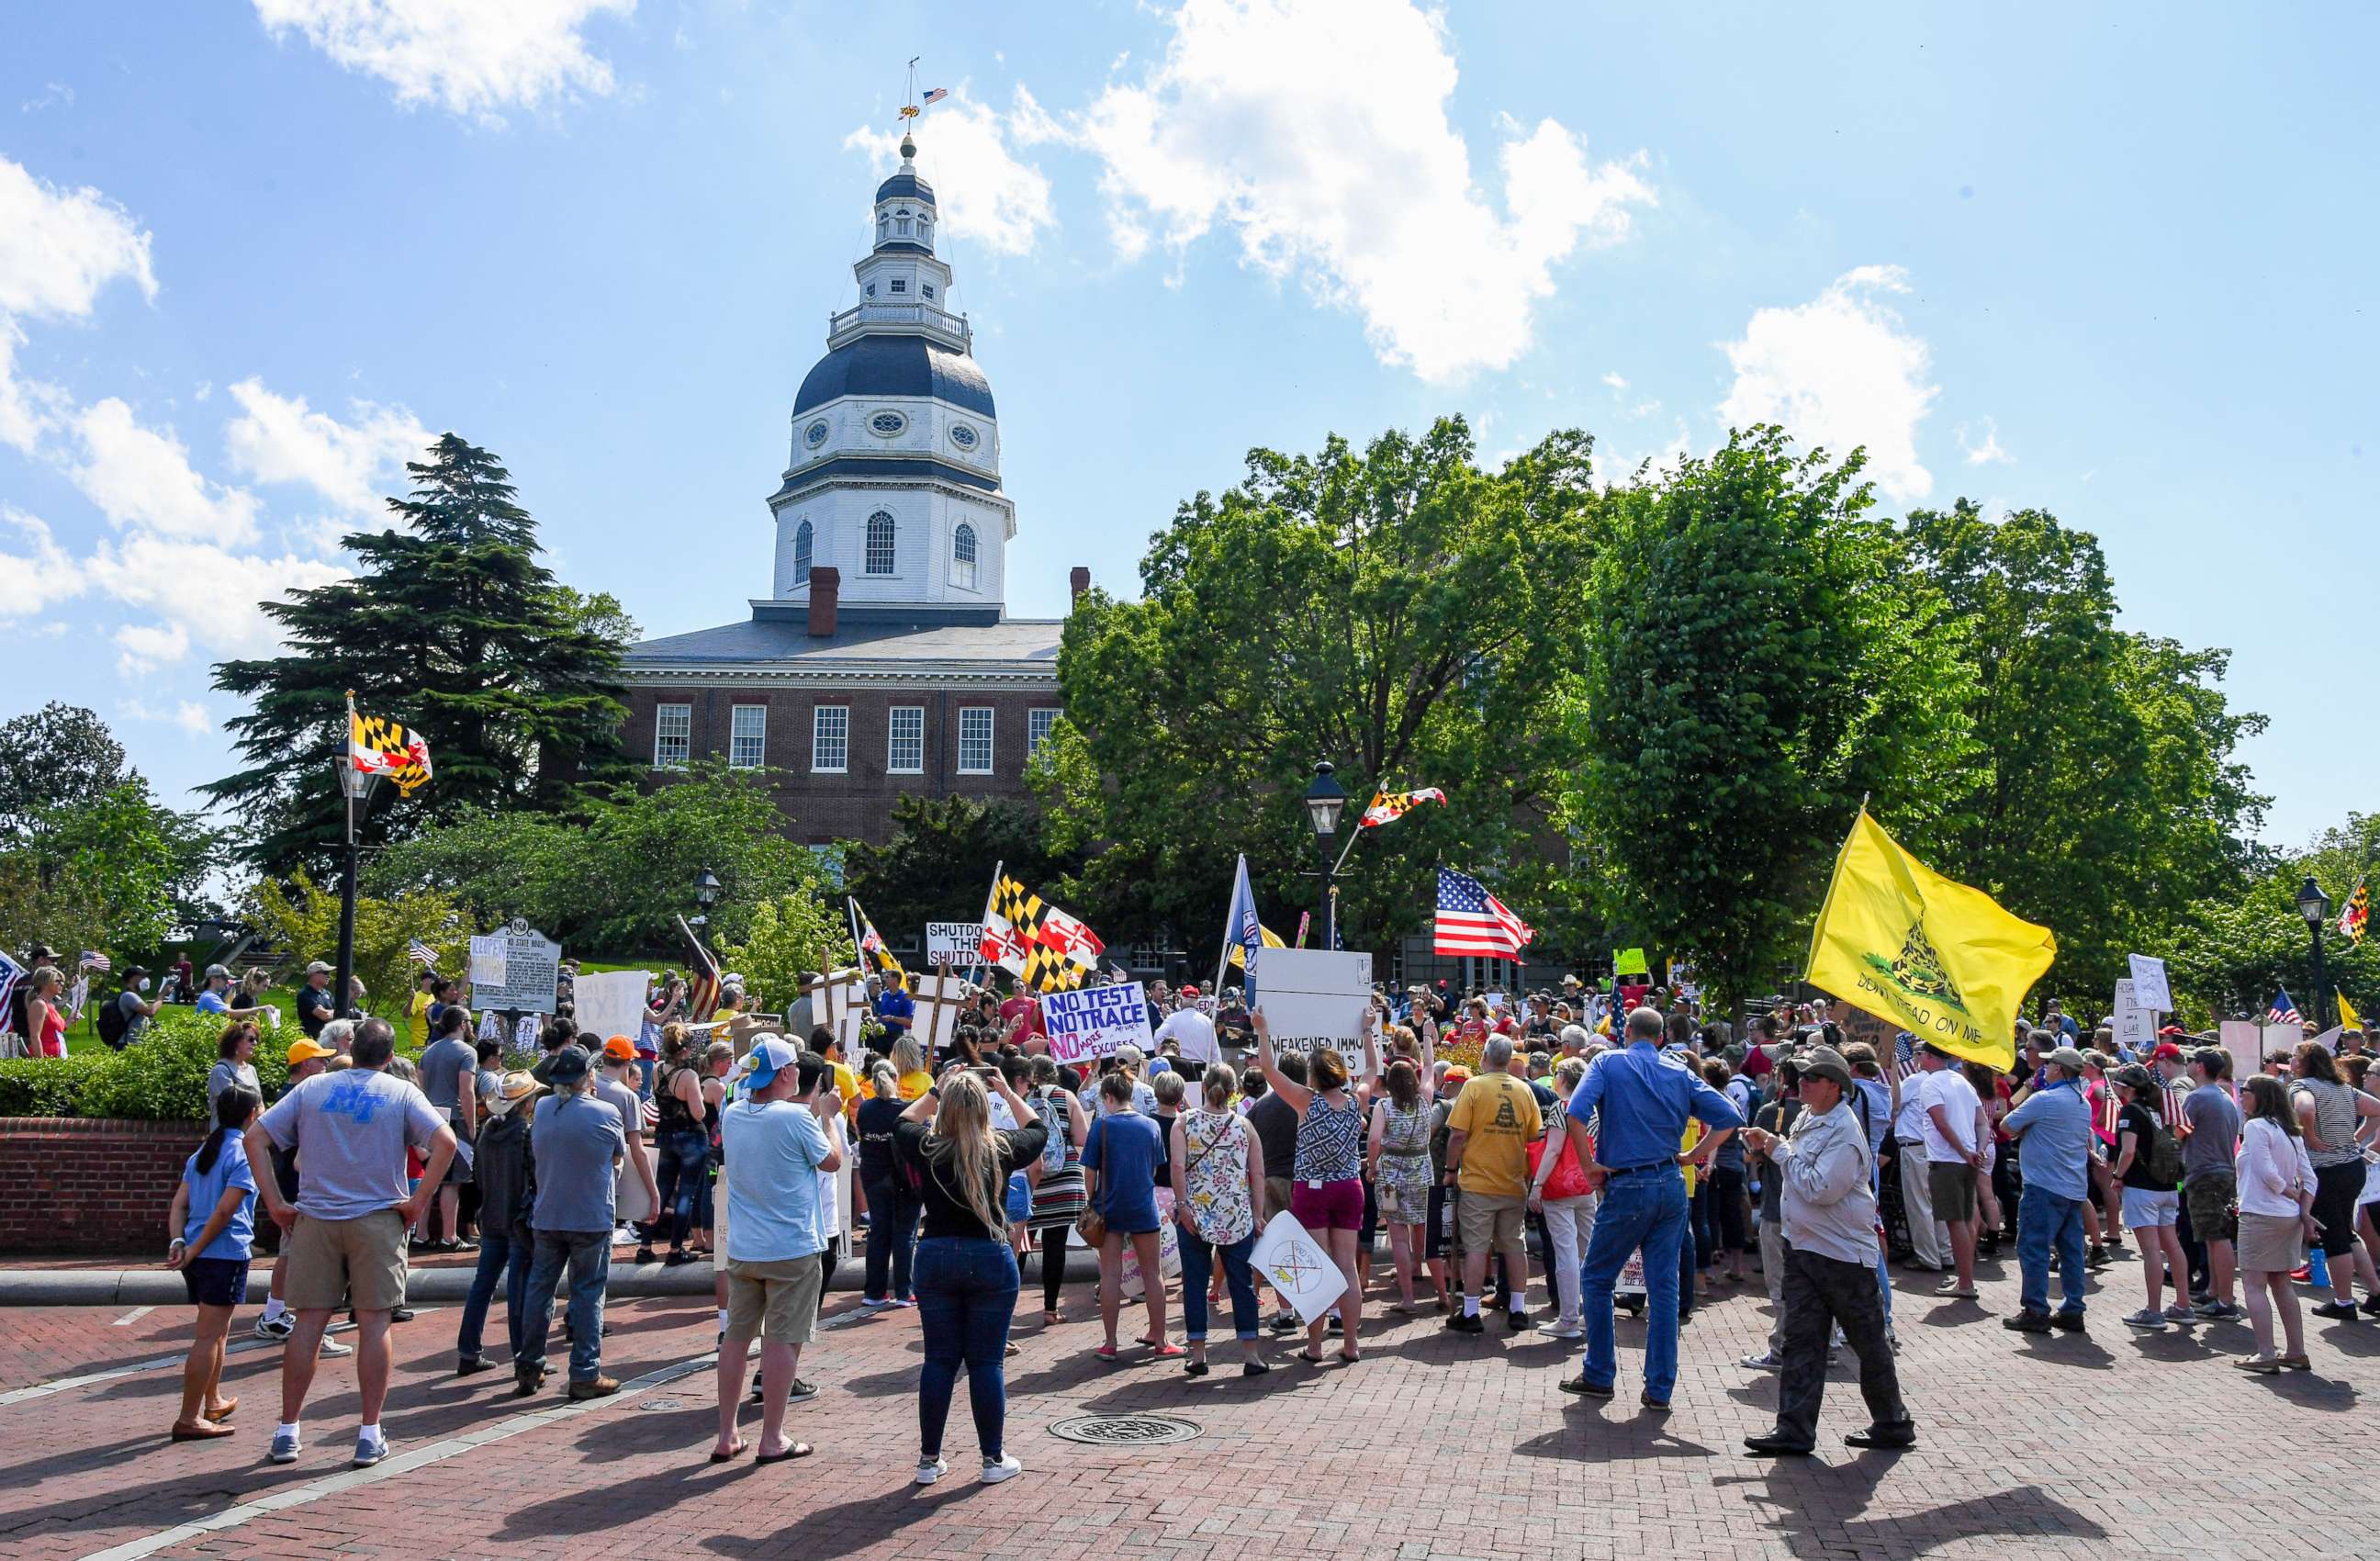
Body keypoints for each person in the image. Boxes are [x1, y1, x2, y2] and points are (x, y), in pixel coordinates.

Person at [245, 1016, 454, 1469]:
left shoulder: (313, 1089)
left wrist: (277, 1204)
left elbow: (256, 1137)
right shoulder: (400, 1092)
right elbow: (446, 1141)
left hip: (317, 1217)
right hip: (377, 1218)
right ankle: (368, 1431)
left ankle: (287, 1430)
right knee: (375, 1324)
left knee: (307, 1325)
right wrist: (418, 1202)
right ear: (389, 1054)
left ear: (353, 1048)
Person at [1559, 1006, 1742, 1409]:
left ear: (1628, 1033)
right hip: (1670, 1184)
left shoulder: (1608, 1062)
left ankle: (1600, 1372)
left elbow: (1575, 1111)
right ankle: (1659, 1388)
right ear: (1660, 1038)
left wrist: (1589, 1167)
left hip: (1628, 1184)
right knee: (1664, 1288)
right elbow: (1729, 1116)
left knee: (1597, 1277)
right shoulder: (1678, 1071)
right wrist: (1694, 1154)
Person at [1740, 1046, 1914, 1455]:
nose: (1802, 1082)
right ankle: (1795, 1429)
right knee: (1802, 1340)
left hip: (1841, 1255)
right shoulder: (1809, 1117)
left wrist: (1777, 1150)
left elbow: (1821, 1188)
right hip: (1806, 1247)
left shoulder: (1844, 1130)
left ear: (1835, 1087)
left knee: (1867, 1341)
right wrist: (1775, 1144)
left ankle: (1892, 1421)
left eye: (1811, 1077)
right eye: (1800, 1075)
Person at [892, 1065, 1042, 1483]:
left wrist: (937, 1091)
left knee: (939, 1360)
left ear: (946, 1109)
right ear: (982, 1109)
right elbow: (1039, 1130)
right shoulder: (1002, 1148)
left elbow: (901, 1121)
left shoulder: (928, 1146)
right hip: (990, 1256)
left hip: (937, 1253)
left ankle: (928, 1459)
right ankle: (992, 1459)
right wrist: (1007, 1090)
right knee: (986, 1362)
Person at [709, 1039, 842, 1465]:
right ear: (786, 1073)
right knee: (783, 1339)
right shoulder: (796, 1118)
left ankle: (727, 1433)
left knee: (736, 1337)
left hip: (745, 1247)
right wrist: (829, 1118)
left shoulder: (732, 1114)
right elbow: (832, 1161)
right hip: (791, 1246)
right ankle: (772, 1437)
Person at [1254, 1008, 1380, 1364]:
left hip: (1313, 1189)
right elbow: (1372, 1069)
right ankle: (1352, 1343)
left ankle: (1314, 1346)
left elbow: (1268, 1070)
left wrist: (1263, 1031)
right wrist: (1368, 1031)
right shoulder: (1356, 1101)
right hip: (1349, 1186)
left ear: (1313, 1074)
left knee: (1317, 1267)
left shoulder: (1305, 1101)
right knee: (1347, 1267)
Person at [514, 1045, 626, 1400]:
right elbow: (617, 1157)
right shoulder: (605, 1112)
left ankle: (529, 1364)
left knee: (540, 1289)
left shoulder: (544, 1107)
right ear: (587, 1077)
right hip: (590, 1216)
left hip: (548, 1213)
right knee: (588, 1293)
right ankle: (584, 1371)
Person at [165, 1084, 263, 1441]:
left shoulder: (204, 1151)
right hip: (224, 1253)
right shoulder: (244, 1154)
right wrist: (195, 1247)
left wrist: (181, 1243)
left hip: (198, 1253)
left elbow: (179, 1204)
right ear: (252, 1114)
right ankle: (189, 1418)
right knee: (208, 1336)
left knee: (218, 1331)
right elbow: (225, 1211)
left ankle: (214, 1399)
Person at [1173, 1061, 1270, 1376]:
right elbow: (1257, 1173)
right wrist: (1257, 1215)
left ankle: (1198, 1353)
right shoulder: (1245, 1126)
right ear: (1233, 1092)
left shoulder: (1184, 1123)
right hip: (1236, 1215)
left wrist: (1182, 1205)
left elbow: (1177, 1167)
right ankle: (1251, 1354)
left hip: (1195, 1214)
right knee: (1242, 1285)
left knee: (1195, 1282)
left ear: (1203, 1087)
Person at [1443, 1036, 1544, 1335]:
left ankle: (1471, 1311)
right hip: (1513, 1181)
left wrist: (1450, 1169)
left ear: (1485, 1057)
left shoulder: (1474, 1087)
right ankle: (1518, 1308)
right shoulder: (1525, 1090)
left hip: (1478, 1182)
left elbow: (1457, 1135)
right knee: (1515, 1246)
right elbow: (1535, 1138)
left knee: (1476, 1247)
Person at [1999, 1046, 2097, 1333]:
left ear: (2060, 1068)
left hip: (2043, 1185)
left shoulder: (2044, 1099)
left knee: (2034, 1247)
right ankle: (2073, 1308)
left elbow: (2007, 1124)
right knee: (2071, 1251)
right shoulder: (2082, 1102)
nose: (2043, 1068)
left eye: (2049, 1063)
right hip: (2073, 1188)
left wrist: (2028, 1130)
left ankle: (2035, 1309)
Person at [1081, 1070, 1173, 1361]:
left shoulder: (1102, 1127)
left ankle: (1110, 1343)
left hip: (1109, 1208)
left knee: (1110, 1274)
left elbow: (1090, 1172)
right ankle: (1160, 1340)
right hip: (1143, 1206)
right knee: (1153, 1274)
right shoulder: (1151, 1126)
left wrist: (1091, 1200)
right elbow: (1156, 1168)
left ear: (1108, 1097)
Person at [2234, 1074, 2321, 1372]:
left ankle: (2266, 1353)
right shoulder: (2290, 1131)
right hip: (2287, 1217)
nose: (2241, 1095)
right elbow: (2310, 1178)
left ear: (2260, 1096)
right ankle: (2296, 1351)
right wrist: (2303, 1208)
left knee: (2254, 1285)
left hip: (2260, 1215)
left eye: (2245, 1091)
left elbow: (2268, 1173)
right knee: (2282, 1283)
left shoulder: (2256, 1126)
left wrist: (2292, 1194)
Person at [456, 1072, 540, 1374]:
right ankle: (523, 1357)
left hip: (490, 1215)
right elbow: (535, 1178)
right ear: (527, 1104)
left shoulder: (487, 1133)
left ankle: (468, 1351)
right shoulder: (525, 1134)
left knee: (483, 1286)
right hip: (517, 1219)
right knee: (519, 1290)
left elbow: (477, 1178)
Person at [2290, 1041, 2380, 1320]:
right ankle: (2376, 1291)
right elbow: (2377, 1108)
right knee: (2346, 1231)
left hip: (2326, 1171)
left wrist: (2312, 1137)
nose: (2291, 1062)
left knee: (2334, 1236)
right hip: (2352, 1167)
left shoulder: (2302, 1087)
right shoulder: (2343, 1088)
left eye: (2295, 1057)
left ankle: (2343, 1301)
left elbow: (2305, 1108)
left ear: (2305, 1062)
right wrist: (2354, 1139)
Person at [2108, 1064, 2195, 1329]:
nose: (2115, 1087)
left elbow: (2129, 1150)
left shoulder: (2131, 1111)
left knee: (2150, 1250)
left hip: (2143, 1187)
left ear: (2129, 1088)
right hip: (2169, 1187)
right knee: (2172, 1245)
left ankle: (2154, 1310)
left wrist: (2117, 1176)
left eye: (2120, 1084)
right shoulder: (2159, 1108)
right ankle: (2184, 1305)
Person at [1741, 1058, 1805, 1369]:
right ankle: (1826, 1342)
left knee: (1780, 1283)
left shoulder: (1771, 1114)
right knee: (1813, 1280)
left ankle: (1781, 1348)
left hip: (1777, 1208)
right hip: (1810, 1211)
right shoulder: (1822, 1116)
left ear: (1782, 1081)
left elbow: (1749, 1153)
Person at [1528, 1054, 1597, 1340]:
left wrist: (1537, 1185)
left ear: (1563, 1080)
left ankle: (1568, 1318)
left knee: (1565, 1252)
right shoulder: (1593, 1109)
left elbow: (1553, 1150)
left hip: (1560, 1187)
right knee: (1589, 1251)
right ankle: (1591, 1315)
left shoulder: (1561, 1108)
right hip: (1587, 1185)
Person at [1369, 1052, 1438, 1315]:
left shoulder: (1384, 1107)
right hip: (1421, 1171)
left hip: (1390, 1178)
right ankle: (1418, 1268)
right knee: (1421, 1223)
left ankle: (1407, 1296)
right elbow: (1430, 1068)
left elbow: (1374, 1139)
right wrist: (1429, 1039)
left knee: (1397, 1235)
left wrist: (1373, 1166)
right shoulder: (1425, 1100)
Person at [1914, 1043, 1984, 1299]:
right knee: (1966, 1220)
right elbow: (1982, 1122)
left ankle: (1965, 1282)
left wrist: (1968, 1151)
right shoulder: (1963, 1082)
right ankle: (1965, 1277)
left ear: (1930, 1057)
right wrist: (1978, 1149)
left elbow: (1940, 1121)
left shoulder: (1931, 1084)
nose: (1919, 1058)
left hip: (1947, 1161)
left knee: (1956, 1222)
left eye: (1921, 1054)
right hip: (1966, 1160)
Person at [1024, 1059, 1090, 1321]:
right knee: (1055, 1246)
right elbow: (1082, 1138)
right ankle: (1050, 1309)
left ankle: (1005, 1305)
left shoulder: (1023, 1098)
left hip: (1031, 1179)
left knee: (1022, 1243)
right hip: (1064, 1180)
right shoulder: (1067, 1097)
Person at [857, 1060, 921, 1307]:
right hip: (903, 1178)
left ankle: (874, 1291)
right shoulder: (906, 1110)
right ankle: (905, 1291)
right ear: (896, 1079)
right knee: (904, 1233)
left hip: (874, 1177)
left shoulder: (866, 1109)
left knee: (879, 1232)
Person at [648, 1027, 713, 1268]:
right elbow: (699, 1113)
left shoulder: (656, 1070)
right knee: (686, 1193)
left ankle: (645, 1245)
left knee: (660, 1190)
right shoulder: (688, 1076)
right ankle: (676, 1248)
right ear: (685, 1050)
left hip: (664, 1134)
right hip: (690, 1138)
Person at [418, 1006, 481, 1252]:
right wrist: (471, 1125)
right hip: (454, 1120)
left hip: (429, 1120)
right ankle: (449, 1237)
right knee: (451, 1182)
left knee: (430, 1180)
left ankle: (421, 1235)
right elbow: (466, 1091)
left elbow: (420, 1086)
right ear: (462, 1024)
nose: (472, 1026)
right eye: (470, 1022)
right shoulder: (467, 1052)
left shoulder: (429, 1051)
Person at [594, 1037, 659, 1255]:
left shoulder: (588, 1086)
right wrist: (654, 1193)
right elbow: (638, 1150)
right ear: (628, 1062)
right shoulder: (627, 1097)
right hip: (608, 1174)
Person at [206, 1021, 261, 1115]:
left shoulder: (252, 1070)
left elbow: (260, 1103)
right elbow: (233, 1107)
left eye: (256, 1040)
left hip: (251, 1127)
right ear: (236, 1042)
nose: (255, 1043)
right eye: (251, 1039)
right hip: (230, 1129)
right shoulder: (221, 1070)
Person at [294, 960, 336, 1039]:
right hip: (313, 1039)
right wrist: (330, 1013)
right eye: (325, 973)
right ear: (314, 975)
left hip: (330, 1038)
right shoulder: (305, 994)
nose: (328, 976)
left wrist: (329, 1012)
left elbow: (339, 1012)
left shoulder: (327, 993)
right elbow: (324, 1016)